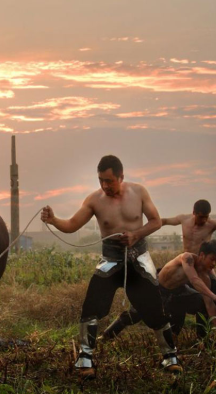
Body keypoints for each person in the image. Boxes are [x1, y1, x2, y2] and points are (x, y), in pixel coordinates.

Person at [41, 155, 180, 377]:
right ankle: (85, 358)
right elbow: (72, 225)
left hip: (138, 260)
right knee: (91, 306)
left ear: (120, 177)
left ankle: (170, 357)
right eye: (101, 180)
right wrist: (53, 220)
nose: (105, 185)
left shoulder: (139, 192)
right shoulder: (94, 200)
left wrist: (136, 234)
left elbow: (156, 221)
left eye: (109, 180)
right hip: (110, 260)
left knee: (155, 309)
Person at [101, 200, 216, 339]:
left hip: (183, 285)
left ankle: (207, 336)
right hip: (168, 282)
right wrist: (138, 232)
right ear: (194, 213)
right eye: (201, 216)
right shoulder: (187, 255)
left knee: (205, 304)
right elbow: (163, 221)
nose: (203, 220)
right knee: (136, 313)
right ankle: (107, 335)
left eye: (206, 217)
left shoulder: (212, 227)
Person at [155, 240, 216, 339]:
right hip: (159, 290)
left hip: (179, 292)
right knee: (141, 316)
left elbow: (210, 305)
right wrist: (214, 296)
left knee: (203, 304)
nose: (214, 264)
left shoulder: (205, 277)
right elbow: (194, 280)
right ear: (202, 255)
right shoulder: (187, 258)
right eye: (212, 259)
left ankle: (203, 338)